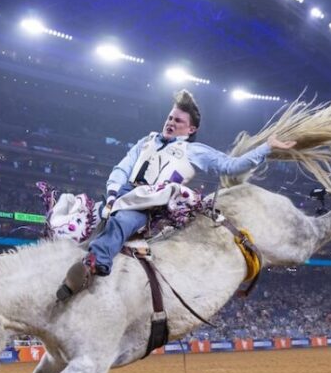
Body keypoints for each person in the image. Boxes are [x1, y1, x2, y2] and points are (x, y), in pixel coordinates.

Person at [57, 89, 296, 301]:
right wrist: (111, 195)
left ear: (191, 129)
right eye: (170, 117)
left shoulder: (194, 151)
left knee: (121, 221)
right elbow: (123, 168)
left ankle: (94, 264)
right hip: (122, 193)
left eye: (178, 120)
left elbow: (230, 166)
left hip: (150, 204)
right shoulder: (147, 141)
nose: (171, 122)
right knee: (79, 217)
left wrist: (267, 147)